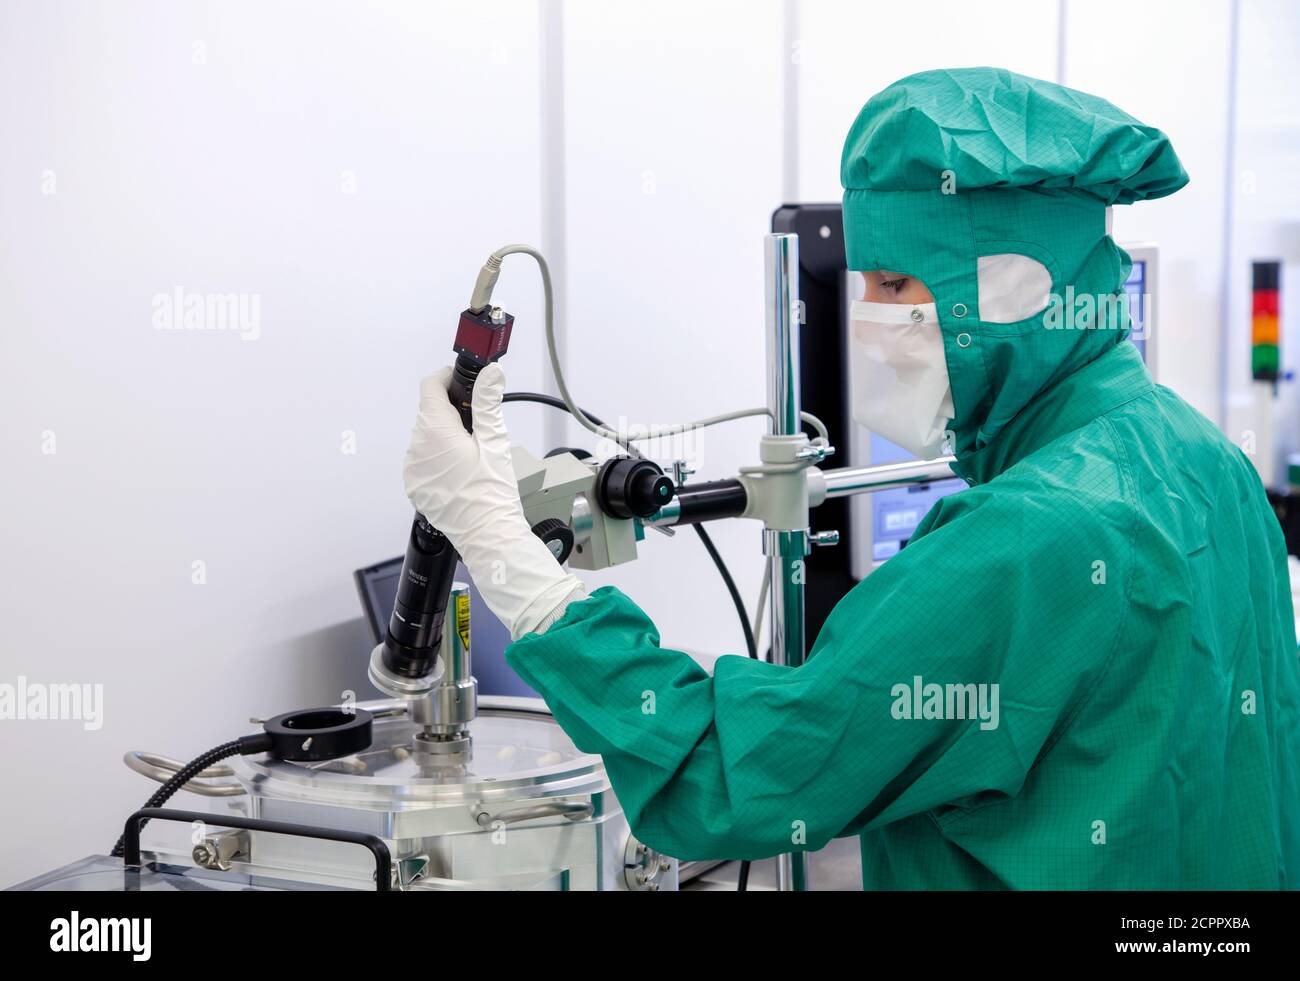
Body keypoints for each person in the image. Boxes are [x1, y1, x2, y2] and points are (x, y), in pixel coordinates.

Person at [402, 68, 1300, 888]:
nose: (868, 314)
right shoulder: (1202, 455)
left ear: (1019, 289)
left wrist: (505, 549)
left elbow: (730, 775)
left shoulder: (1028, 537)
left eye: (900, 280)